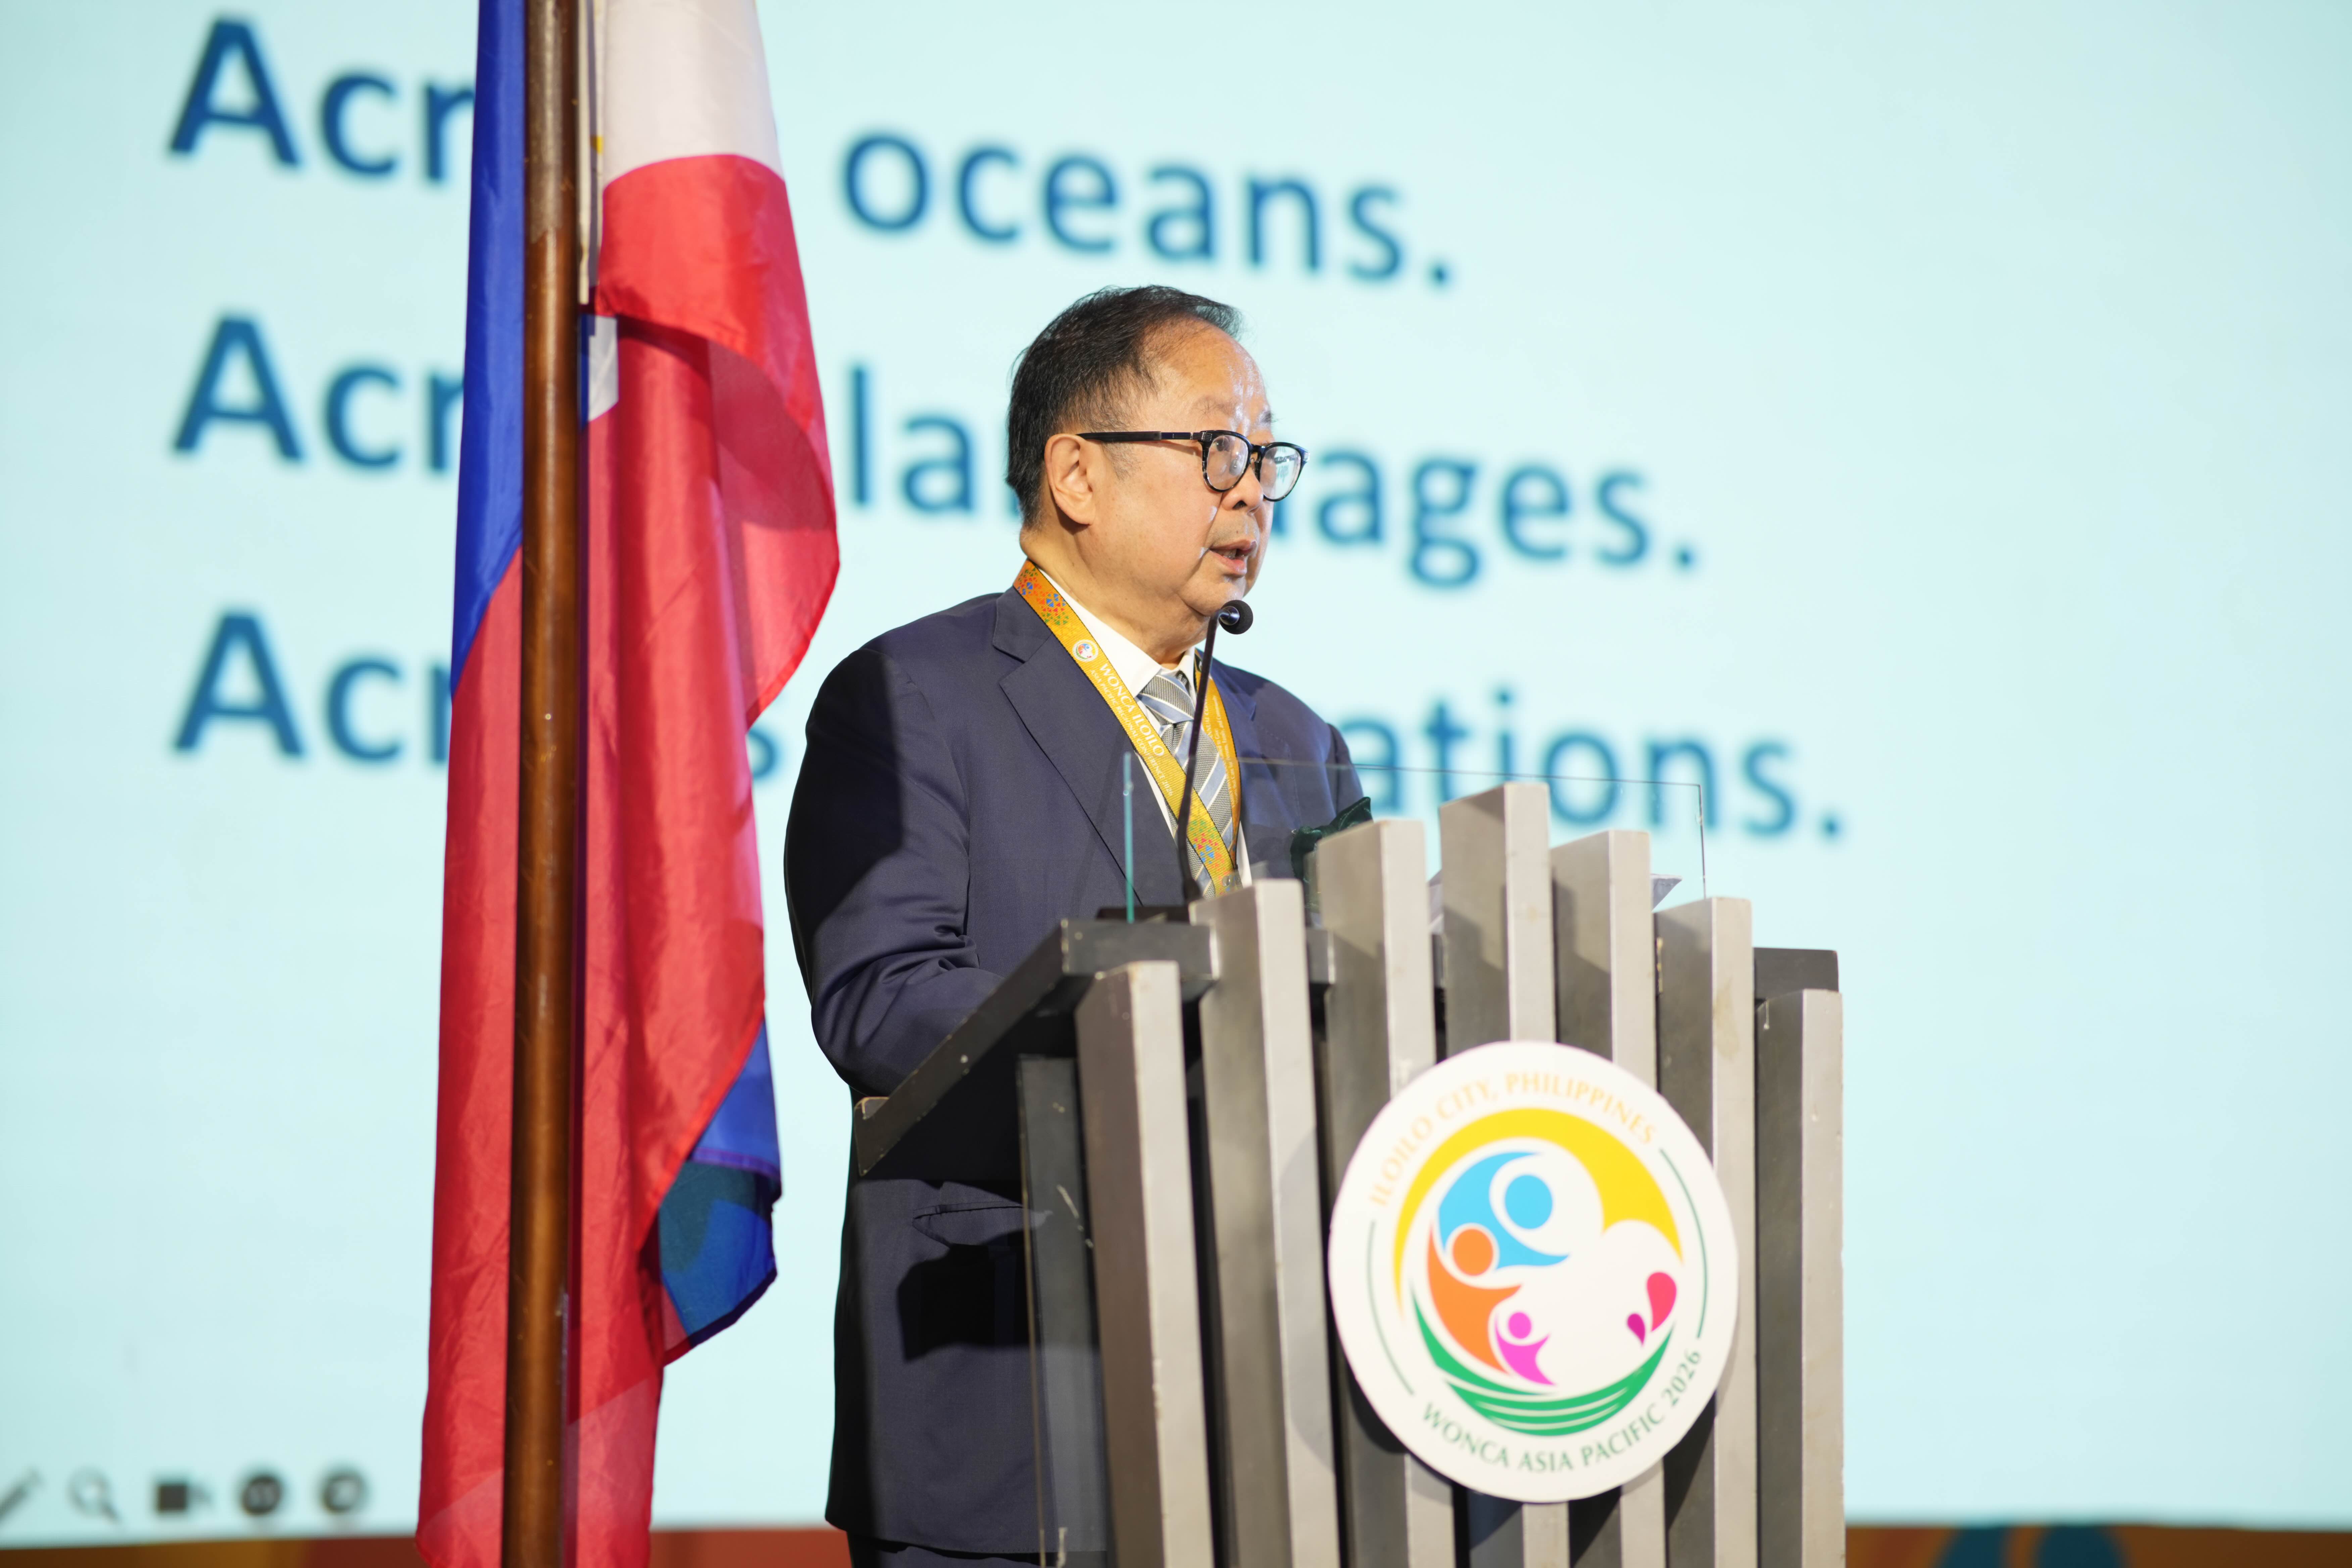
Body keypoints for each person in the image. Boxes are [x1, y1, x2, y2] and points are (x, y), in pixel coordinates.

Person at [784, 285, 1360, 1565]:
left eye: (1268, 457)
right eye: (1219, 448)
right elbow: (879, 1000)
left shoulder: (1296, 740)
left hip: (1270, 1423)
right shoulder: (910, 694)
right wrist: (1146, 1023)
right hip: (1012, 1381)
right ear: (1078, 475)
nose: (1254, 490)